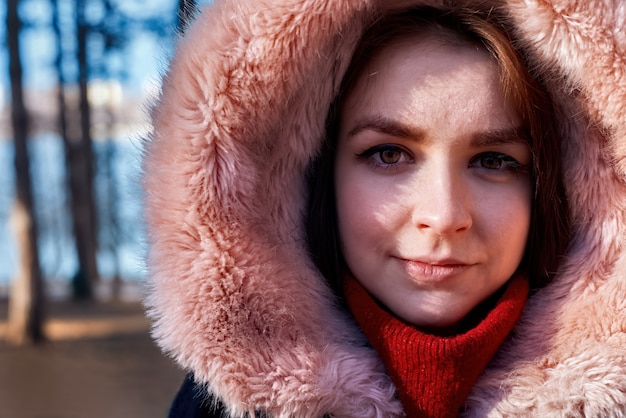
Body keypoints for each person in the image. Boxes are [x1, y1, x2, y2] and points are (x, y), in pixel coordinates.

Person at [143, 0, 626, 416]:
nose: (443, 215)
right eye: (389, 154)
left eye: (494, 161)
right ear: (313, 176)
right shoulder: (224, 407)